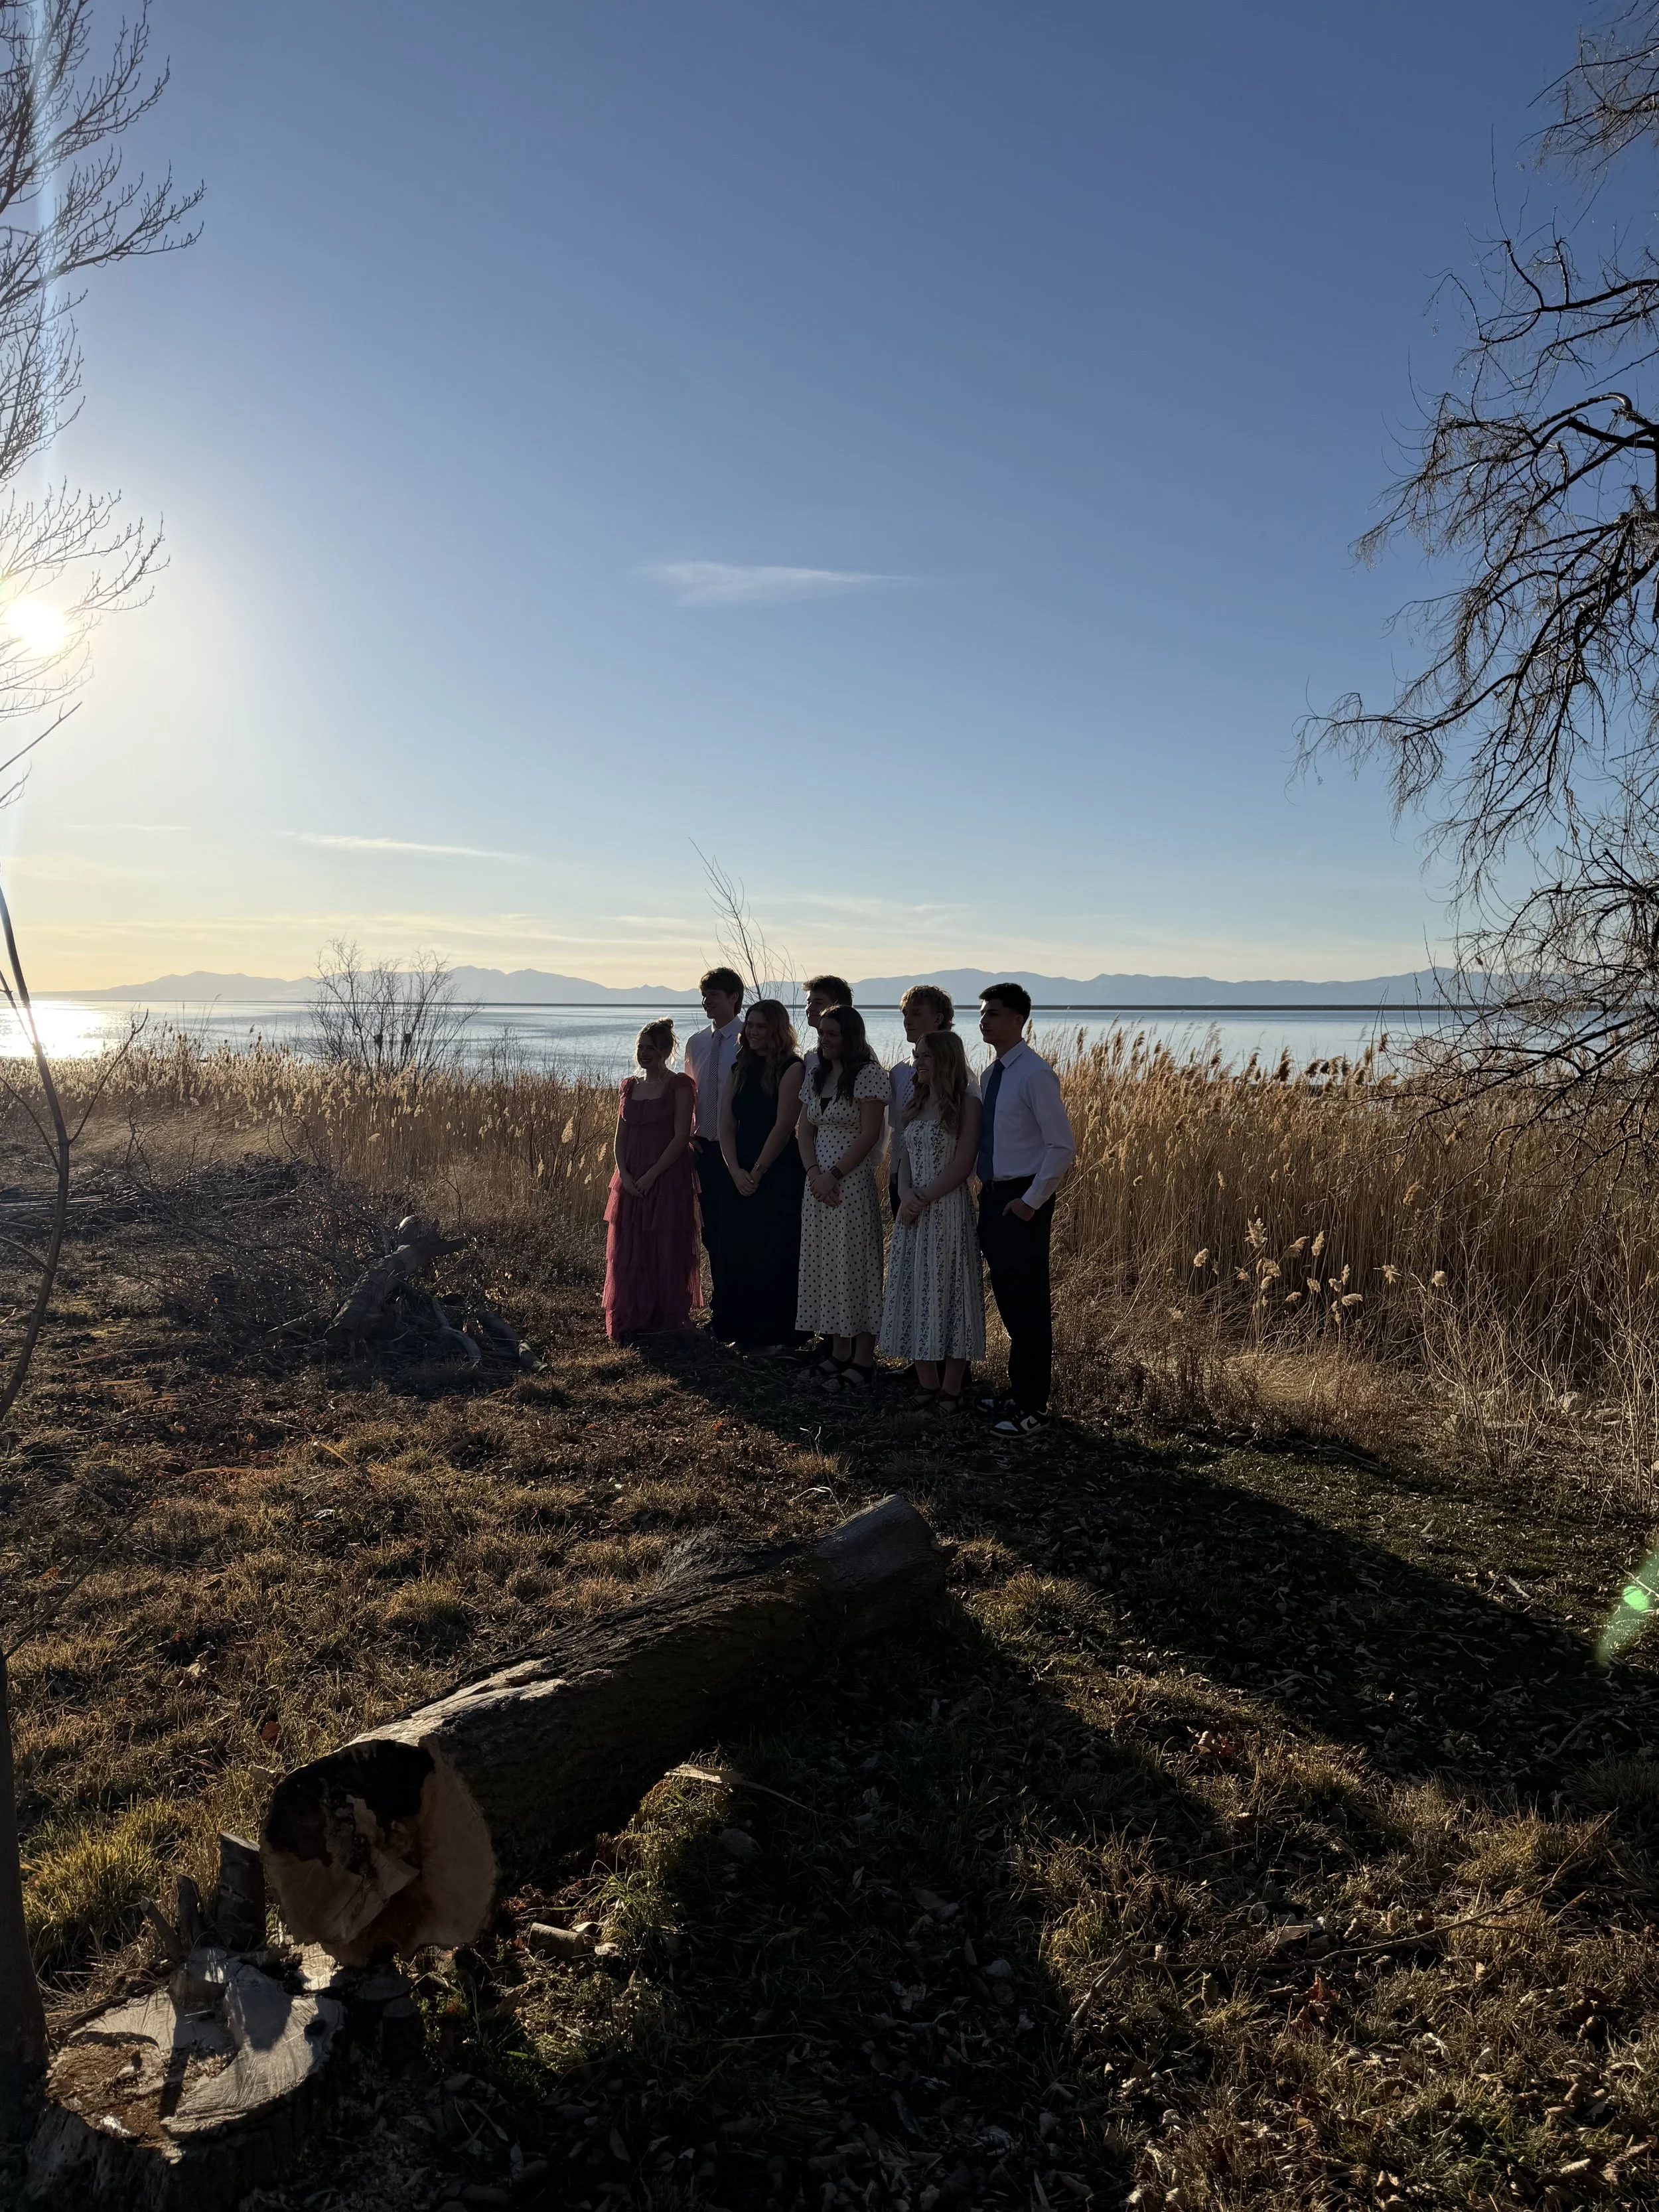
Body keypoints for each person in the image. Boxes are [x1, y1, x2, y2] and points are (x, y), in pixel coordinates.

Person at [975, 982, 1076, 1434]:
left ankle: (1033, 1405)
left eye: (993, 1013)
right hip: (994, 1196)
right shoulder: (991, 1073)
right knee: (1009, 1300)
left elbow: (1061, 1147)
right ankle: (1017, 1394)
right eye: (982, 1012)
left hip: (1021, 1200)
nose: (984, 1020)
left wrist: (1031, 1202)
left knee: (1029, 1303)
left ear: (1019, 1020)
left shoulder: (1035, 1074)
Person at [879, 1027, 985, 1413]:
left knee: (951, 1293)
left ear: (945, 1060)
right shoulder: (914, 1103)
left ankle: (951, 1389)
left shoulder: (966, 1104)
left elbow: (963, 1164)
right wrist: (906, 1195)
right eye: (917, 1056)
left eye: (925, 1056)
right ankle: (926, 1382)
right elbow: (902, 1158)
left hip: (947, 1210)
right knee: (912, 1290)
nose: (917, 1062)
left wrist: (924, 1197)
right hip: (913, 1213)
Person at [796, 1003, 889, 1388]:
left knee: (855, 1265)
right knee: (824, 1265)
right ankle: (838, 1352)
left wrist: (834, 1174)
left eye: (833, 1035)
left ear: (851, 1037)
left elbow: (870, 1134)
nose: (825, 1041)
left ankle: (863, 1361)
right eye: (822, 1034)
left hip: (849, 1185)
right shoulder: (817, 1075)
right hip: (817, 1187)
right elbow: (803, 1130)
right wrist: (816, 1174)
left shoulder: (868, 1076)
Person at [717, 997, 808, 1348]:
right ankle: (737, 1329)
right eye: (750, 1025)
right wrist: (736, 1170)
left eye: (761, 1026)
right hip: (737, 1167)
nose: (753, 1032)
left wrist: (756, 1172)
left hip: (777, 1170)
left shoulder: (792, 1067)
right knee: (735, 1248)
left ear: (777, 1029)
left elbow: (784, 1126)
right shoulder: (740, 1065)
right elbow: (726, 1123)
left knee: (772, 1250)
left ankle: (775, 1333)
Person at [603, 1019, 699, 1341]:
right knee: (631, 1246)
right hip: (630, 1177)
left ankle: (665, 1316)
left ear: (665, 1051)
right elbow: (619, 1137)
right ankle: (634, 1312)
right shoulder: (630, 1086)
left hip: (666, 1176)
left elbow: (681, 1136)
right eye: (641, 1048)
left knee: (666, 1245)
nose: (644, 1054)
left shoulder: (680, 1085)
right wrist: (626, 1176)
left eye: (652, 1049)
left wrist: (652, 1175)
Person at [684, 966, 745, 1341]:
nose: (706, 1002)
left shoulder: (747, 1040)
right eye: (704, 995)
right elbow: (691, 1095)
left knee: (735, 1233)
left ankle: (735, 1309)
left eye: (714, 996)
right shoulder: (696, 1043)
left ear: (733, 998)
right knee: (711, 1232)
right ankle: (721, 1308)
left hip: (737, 1148)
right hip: (705, 1148)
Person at [887, 984, 975, 1218]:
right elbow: (898, 1133)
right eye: (905, 1014)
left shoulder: (963, 1081)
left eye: (916, 1014)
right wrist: (901, 1186)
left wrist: (925, 1195)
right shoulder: (898, 1073)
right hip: (902, 1182)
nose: (907, 1021)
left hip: (942, 1192)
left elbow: (966, 1147)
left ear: (938, 1019)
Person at [800, 973, 853, 1084]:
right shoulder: (811, 1054)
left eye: (818, 1003)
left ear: (838, 1007)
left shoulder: (858, 1054)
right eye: (808, 1002)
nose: (810, 1008)